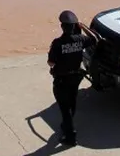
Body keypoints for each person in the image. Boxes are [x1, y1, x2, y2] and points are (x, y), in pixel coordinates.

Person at [47, 10, 98, 146]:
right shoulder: (81, 40)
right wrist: (83, 27)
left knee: (64, 108)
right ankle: (67, 125)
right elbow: (95, 39)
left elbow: (51, 63)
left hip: (62, 79)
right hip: (76, 77)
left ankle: (71, 136)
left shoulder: (57, 43)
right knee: (71, 102)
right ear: (75, 26)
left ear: (62, 27)